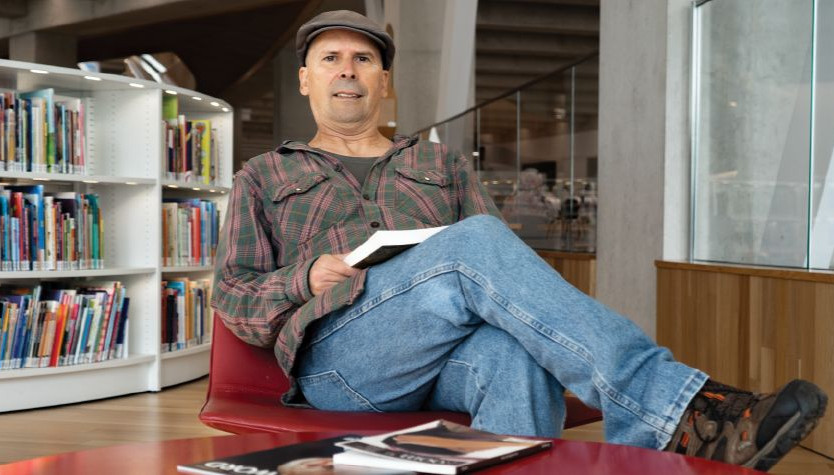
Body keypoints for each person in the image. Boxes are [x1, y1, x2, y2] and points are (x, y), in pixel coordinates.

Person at [211, 10, 827, 473]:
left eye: (363, 60)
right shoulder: (264, 174)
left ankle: (659, 432)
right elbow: (233, 296)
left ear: (384, 82)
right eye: (330, 58)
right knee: (476, 240)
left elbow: (499, 269)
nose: (347, 69)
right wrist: (305, 276)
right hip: (342, 364)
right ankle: (676, 410)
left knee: (514, 359)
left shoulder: (440, 163)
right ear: (304, 82)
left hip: (444, 359)